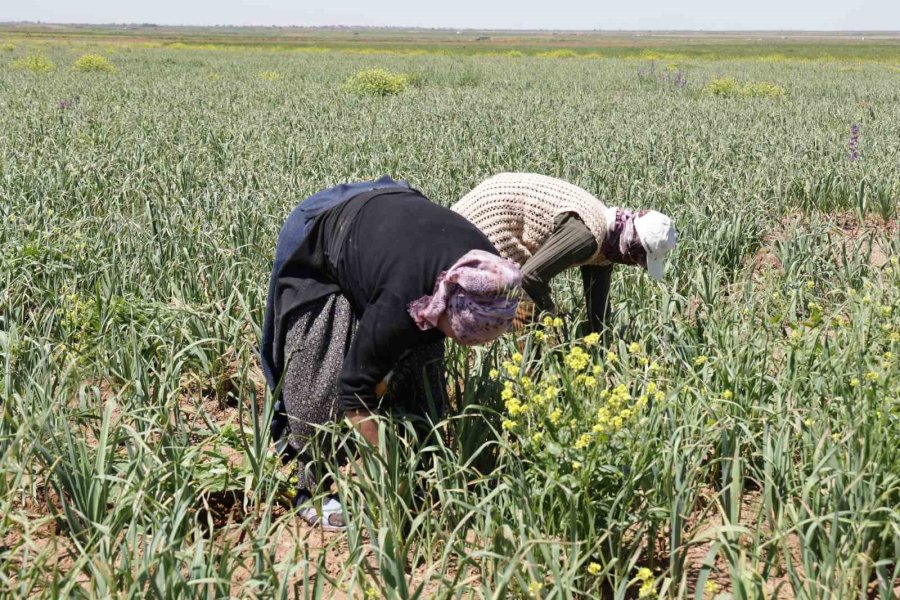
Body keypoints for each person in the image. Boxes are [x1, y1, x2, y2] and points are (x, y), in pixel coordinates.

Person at [261, 176, 522, 530]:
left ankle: (423, 468)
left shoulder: (488, 273)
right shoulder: (405, 298)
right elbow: (354, 392)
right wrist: (389, 475)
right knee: (320, 374)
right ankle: (313, 490)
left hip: (394, 215)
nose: (469, 347)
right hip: (323, 228)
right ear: (442, 305)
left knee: (422, 370)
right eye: (463, 337)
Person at [452, 173, 677, 332]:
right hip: (491, 219)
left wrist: (600, 343)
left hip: (506, 217)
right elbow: (530, 277)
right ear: (628, 249)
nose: (634, 266)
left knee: (532, 313)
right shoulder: (586, 236)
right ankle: (530, 379)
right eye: (637, 260)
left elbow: (598, 307)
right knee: (525, 308)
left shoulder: (607, 246)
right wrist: (550, 310)